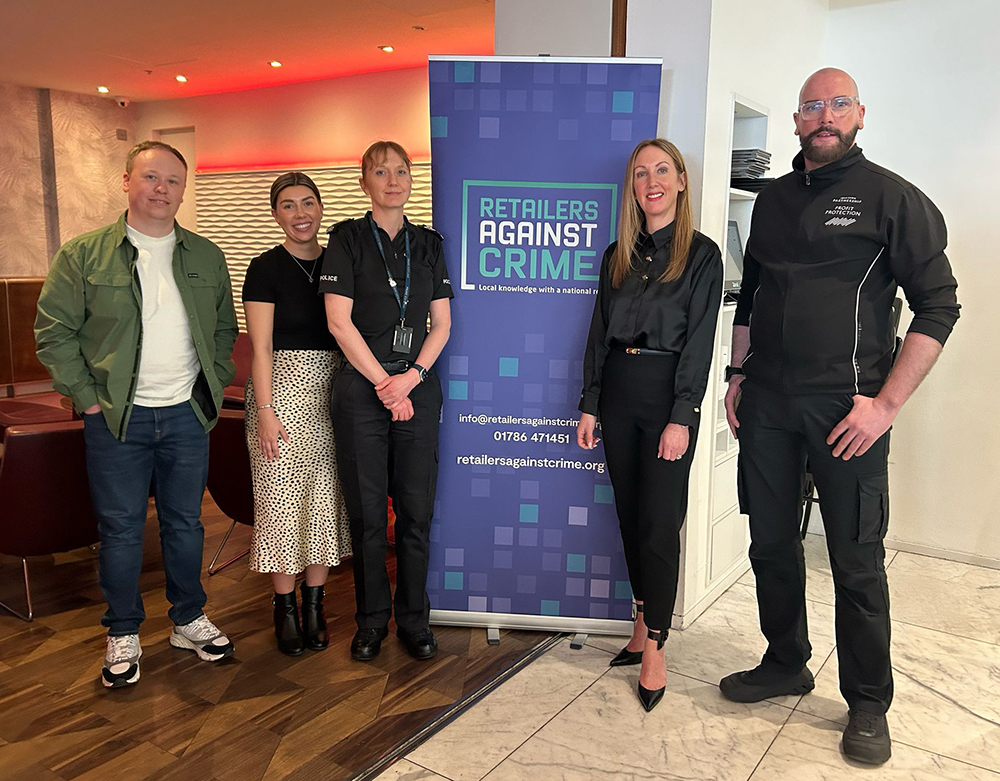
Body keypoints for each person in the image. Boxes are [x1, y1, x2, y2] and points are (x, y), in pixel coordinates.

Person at [719, 68, 960, 765]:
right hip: (766, 401)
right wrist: (739, 374)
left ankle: (867, 701)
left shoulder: (894, 198)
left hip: (846, 409)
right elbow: (752, 295)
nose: (823, 116)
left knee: (855, 561)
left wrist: (884, 406)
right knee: (770, 543)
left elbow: (938, 307)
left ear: (859, 115)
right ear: (796, 121)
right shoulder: (770, 200)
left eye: (838, 104)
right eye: (811, 107)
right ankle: (785, 658)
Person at [35, 140, 239, 689]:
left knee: (185, 525)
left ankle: (187, 618)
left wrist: (212, 382)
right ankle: (122, 629)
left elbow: (223, 330)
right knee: (122, 530)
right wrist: (89, 397)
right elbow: (53, 333)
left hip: (186, 415)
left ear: (182, 188)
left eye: (173, 180)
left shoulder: (205, 255)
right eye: (151, 177)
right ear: (126, 181)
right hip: (115, 419)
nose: (161, 190)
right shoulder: (83, 255)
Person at [577, 139, 722, 712]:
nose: (651, 181)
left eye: (662, 170)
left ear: (681, 181)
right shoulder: (617, 253)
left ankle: (657, 645)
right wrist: (590, 402)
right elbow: (596, 332)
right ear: (632, 188)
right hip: (617, 392)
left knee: (661, 523)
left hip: (667, 396)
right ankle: (640, 621)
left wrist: (682, 415)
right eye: (641, 173)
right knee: (631, 517)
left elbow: (701, 344)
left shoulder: (702, 256)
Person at [320, 141, 453, 662]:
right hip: (362, 390)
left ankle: (414, 621)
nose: (393, 180)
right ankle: (372, 621)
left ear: (410, 179)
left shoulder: (429, 244)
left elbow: (441, 324)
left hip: (417, 389)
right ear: (364, 182)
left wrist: (411, 378)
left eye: (401, 171)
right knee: (369, 515)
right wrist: (384, 384)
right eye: (381, 171)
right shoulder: (346, 239)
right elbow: (338, 321)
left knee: (416, 513)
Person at [242, 172, 352, 656]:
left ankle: (315, 605)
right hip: (280, 393)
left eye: (308, 203)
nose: (300, 213)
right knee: (283, 508)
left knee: (324, 504)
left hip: (331, 393)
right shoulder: (264, 267)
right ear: (275, 214)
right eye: (288, 205)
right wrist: (265, 410)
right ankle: (284, 608)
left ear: (321, 208)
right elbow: (260, 347)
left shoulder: (339, 261)